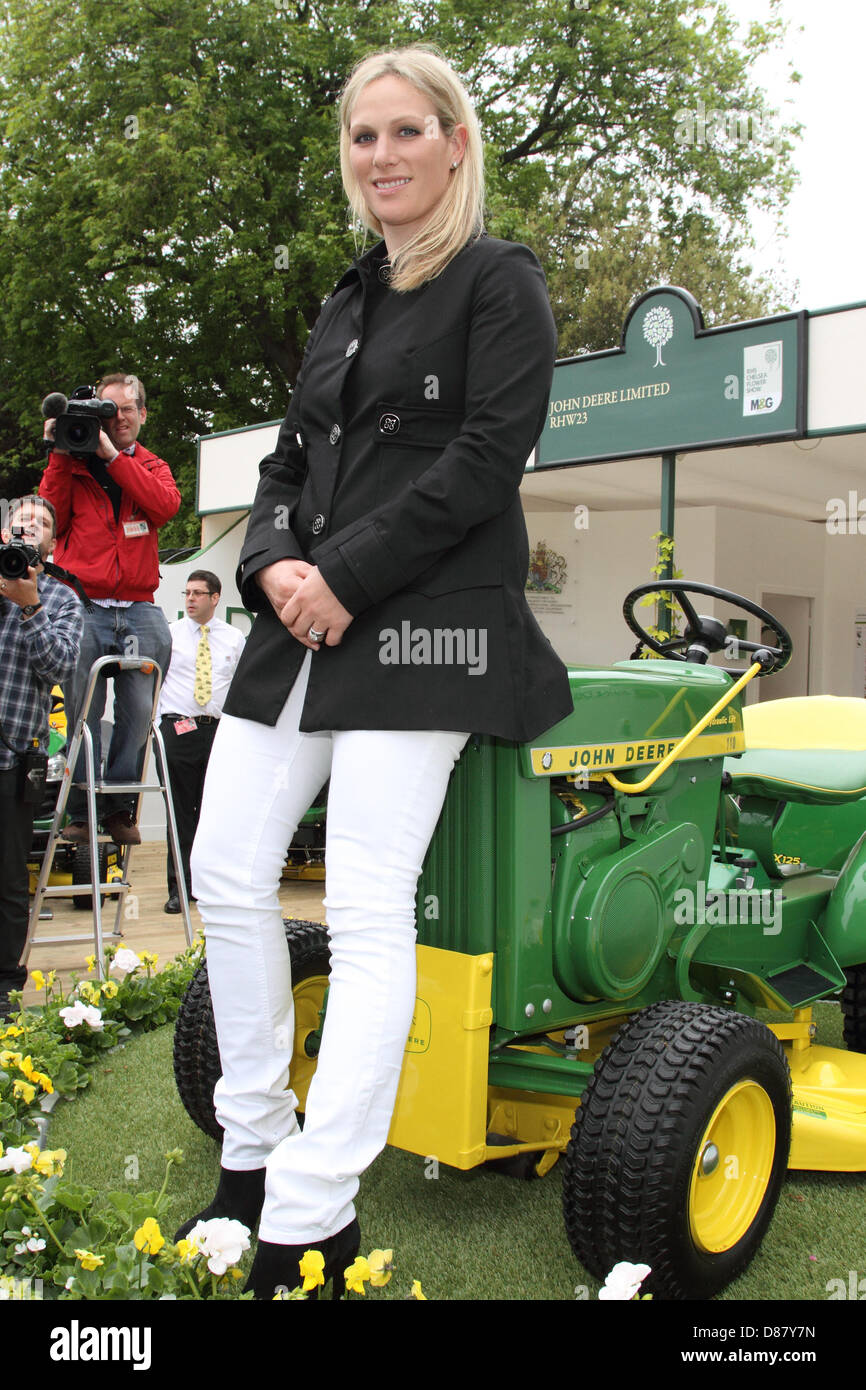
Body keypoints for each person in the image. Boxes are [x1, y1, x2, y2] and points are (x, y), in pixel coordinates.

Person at [181, 45, 573, 1297]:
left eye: (407, 131)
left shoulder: (498, 280)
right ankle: (250, 1150)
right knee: (226, 869)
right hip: (301, 621)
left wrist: (341, 576)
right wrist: (278, 567)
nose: (383, 155)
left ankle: (311, 1212)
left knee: (360, 905)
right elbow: (287, 468)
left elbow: (484, 459)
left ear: (455, 143)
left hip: (429, 630)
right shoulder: (347, 296)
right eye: (362, 137)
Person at [39, 373, 180, 846]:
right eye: (107, 408)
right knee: (83, 712)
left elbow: (164, 506)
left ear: (142, 414)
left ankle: (119, 805)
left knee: (140, 710)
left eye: (125, 409)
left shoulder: (153, 465)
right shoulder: (72, 464)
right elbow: (49, 518)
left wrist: (114, 459)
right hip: (85, 604)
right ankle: (82, 808)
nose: (116, 417)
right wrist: (61, 450)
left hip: (139, 606)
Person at [0, 496, 83, 1019]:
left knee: (9, 882)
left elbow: (58, 667)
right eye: (23, 520)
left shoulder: (63, 598)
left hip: (14, 755)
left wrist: (29, 604)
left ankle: (5, 987)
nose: (33, 527)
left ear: (52, 543)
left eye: (44, 523)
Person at [156, 570, 245, 914]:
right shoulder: (169, 636)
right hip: (178, 728)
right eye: (187, 593)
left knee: (217, 812)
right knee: (180, 811)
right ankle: (179, 888)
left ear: (215, 597)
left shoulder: (234, 638)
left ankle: (212, 886)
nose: (190, 599)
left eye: (198, 593)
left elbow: (241, 687)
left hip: (219, 731)